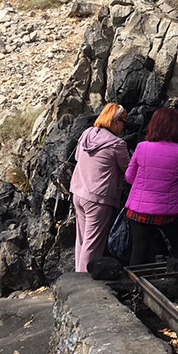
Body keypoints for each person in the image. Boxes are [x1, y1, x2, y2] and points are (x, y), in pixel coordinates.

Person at [125, 107, 178, 265]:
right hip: (168, 213)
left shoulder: (142, 147)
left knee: (139, 250)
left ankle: (134, 286)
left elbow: (129, 177)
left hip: (138, 212)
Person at [70, 103, 130, 272]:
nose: (124, 126)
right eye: (123, 122)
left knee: (81, 240)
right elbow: (129, 171)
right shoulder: (117, 144)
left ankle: (76, 276)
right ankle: (84, 283)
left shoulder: (87, 134)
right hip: (98, 197)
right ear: (115, 121)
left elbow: (77, 157)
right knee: (93, 243)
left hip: (78, 192)